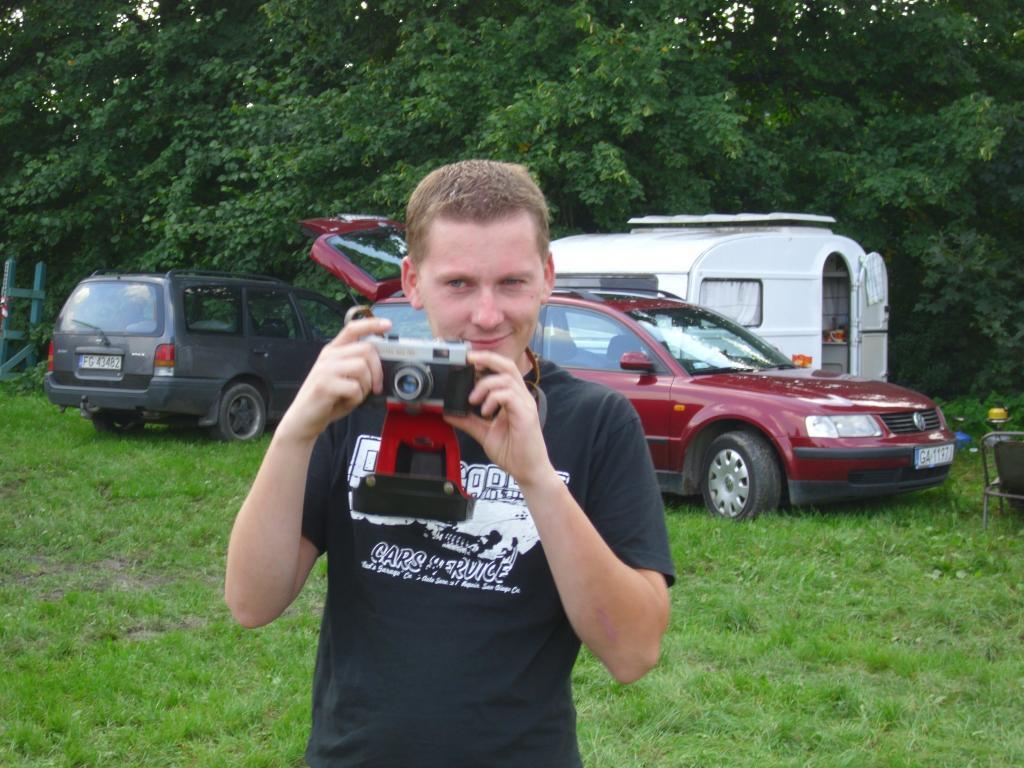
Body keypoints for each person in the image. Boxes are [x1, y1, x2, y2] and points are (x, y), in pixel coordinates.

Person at [225, 159, 675, 767]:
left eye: (512, 283)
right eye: (459, 283)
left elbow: (633, 653)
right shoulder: (357, 403)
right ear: (413, 282)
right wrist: (295, 434)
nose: (487, 315)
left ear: (547, 278)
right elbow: (252, 603)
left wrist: (537, 478)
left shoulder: (597, 422)